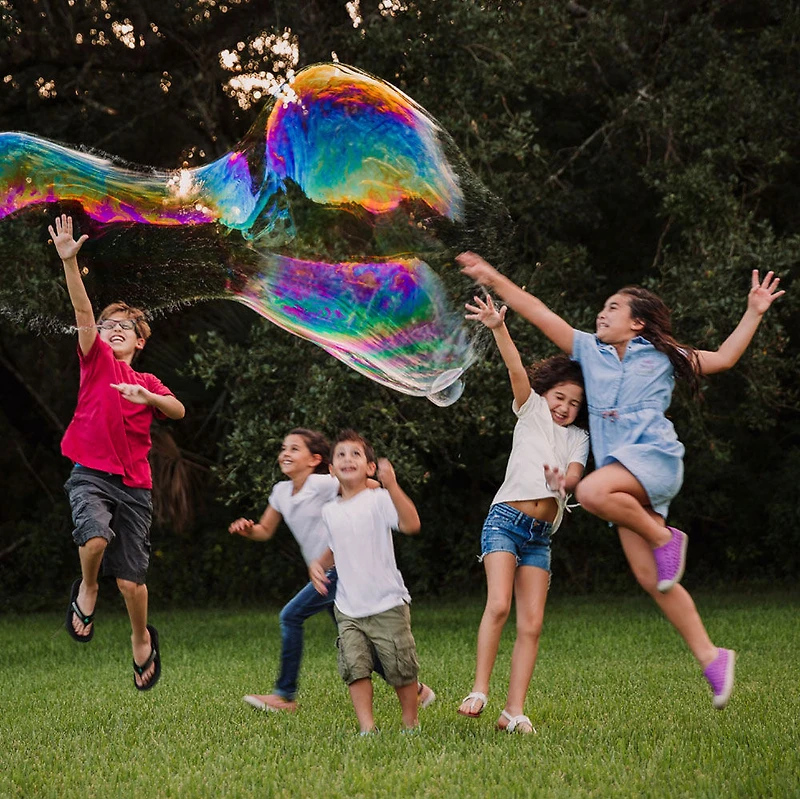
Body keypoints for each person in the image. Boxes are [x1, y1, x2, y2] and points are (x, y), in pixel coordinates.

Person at [458, 251, 785, 710]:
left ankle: (664, 535)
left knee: (590, 491)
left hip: (654, 461)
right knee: (655, 580)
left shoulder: (665, 356)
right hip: (624, 482)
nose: (602, 313)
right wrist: (492, 277)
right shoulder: (589, 353)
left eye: (614, 307)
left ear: (637, 323)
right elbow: (537, 310)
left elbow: (726, 358)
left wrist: (753, 312)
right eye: (603, 307)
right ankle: (712, 656)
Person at [50, 213, 185, 691]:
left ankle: (140, 636)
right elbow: (84, 314)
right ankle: (87, 587)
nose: (114, 329)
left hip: (136, 487)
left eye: (126, 326)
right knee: (94, 538)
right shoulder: (95, 361)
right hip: (90, 473)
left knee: (131, 583)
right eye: (110, 324)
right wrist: (71, 263)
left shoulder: (146, 382)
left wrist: (149, 398)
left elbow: (178, 409)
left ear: (141, 340)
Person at [229, 429, 435, 713]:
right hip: (324, 573)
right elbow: (264, 531)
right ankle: (418, 690)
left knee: (291, 616)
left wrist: (386, 489)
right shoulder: (280, 492)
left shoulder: (324, 483)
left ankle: (284, 695)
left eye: (294, 449)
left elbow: (365, 485)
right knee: (356, 639)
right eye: (284, 448)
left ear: (315, 459)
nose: (286, 453)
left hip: (342, 570)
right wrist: (248, 529)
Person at [457, 294, 590, 734]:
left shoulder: (579, 439)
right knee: (498, 605)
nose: (564, 407)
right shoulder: (530, 410)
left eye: (573, 403)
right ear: (546, 392)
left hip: (539, 536)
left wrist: (560, 484)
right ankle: (479, 689)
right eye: (560, 396)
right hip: (504, 523)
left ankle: (513, 711)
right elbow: (516, 369)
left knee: (531, 624)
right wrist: (498, 327)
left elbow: (571, 478)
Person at [309, 430, 422, 734]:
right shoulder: (330, 510)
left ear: (370, 468)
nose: (347, 459)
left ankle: (411, 723)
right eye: (341, 455)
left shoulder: (379, 500)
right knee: (354, 668)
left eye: (355, 454)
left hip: (387, 602)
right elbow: (335, 547)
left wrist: (393, 485)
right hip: (347, 607)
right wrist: (317, 566)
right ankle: (367, 728)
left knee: (400, 667)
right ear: (332, 470)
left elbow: (412, 524)